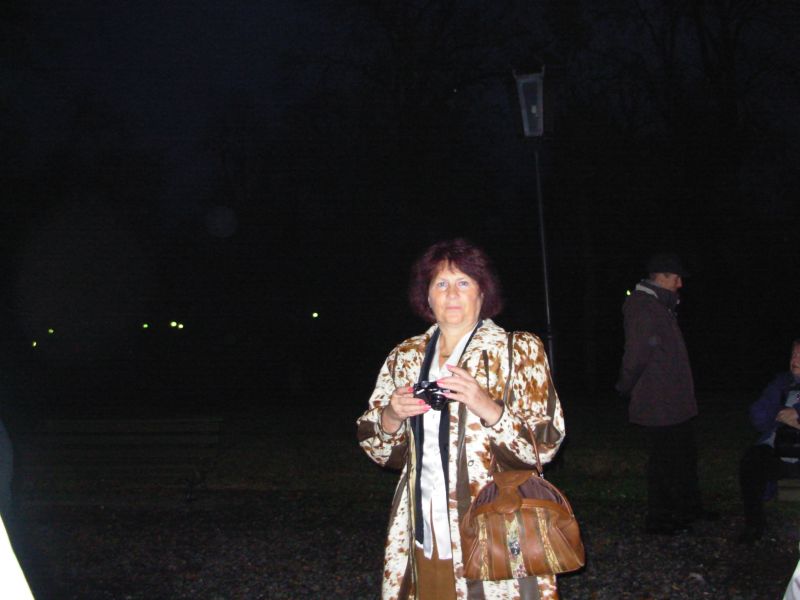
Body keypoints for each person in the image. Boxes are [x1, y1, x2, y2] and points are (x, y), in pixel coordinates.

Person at [356, 239, 565, 600]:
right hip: (422, 529)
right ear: (427, 296)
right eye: (441, 283)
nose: (452, 293)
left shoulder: (517, 350)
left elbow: (544, 446)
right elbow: (378, 450)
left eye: (464, 282)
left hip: (496, 526)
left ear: (483, 292)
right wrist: (390, 416)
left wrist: (488, 408)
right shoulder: (404, 357)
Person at [615, 252, 715, 535]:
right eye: (676, 278)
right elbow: (636, 353)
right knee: (664, 461)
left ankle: (689, 509)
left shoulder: (662, 304)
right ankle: (659, 519)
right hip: (657, 400)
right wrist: (624, 385)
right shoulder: (642, 306)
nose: (680, 284)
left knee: (685, 456)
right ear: (660, 277)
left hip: (676, 399)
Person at [737, 339, 800, 544]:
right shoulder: (782, 383)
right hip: (779, 450)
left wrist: (797, 416)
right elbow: (758, 416)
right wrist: (782, 413)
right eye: (793, 354)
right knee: (752, 460)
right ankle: (754, 525)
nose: (795, 360)